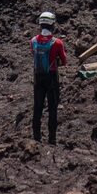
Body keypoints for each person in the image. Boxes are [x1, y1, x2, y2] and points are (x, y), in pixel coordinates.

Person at [31, 10, 67, 146]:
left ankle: (36, 138)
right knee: (52, 109)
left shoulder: (33, 41)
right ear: (53, 25)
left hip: (38, 77)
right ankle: (52, 139)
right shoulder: (57, 43)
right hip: (51, 77)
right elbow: (64, 61)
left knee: (37, 107)